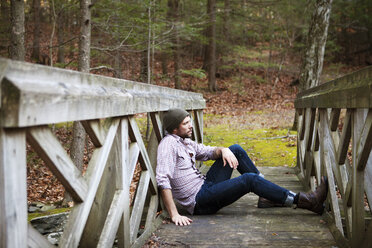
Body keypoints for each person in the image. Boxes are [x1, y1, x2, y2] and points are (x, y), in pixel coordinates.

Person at [156, 108, 328, 226]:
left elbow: (208, 151)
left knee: (235, 150)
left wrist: (224, 150)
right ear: (174, 129)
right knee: (249, 180)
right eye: (186, 123)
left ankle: (267, 196)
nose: (190, 125)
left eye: (189, 121)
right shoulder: (168, 145)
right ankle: (305, 201)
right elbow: (163, 179)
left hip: (205, 186)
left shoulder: (185, 141)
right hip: (200, 201)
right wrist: (174, 214)